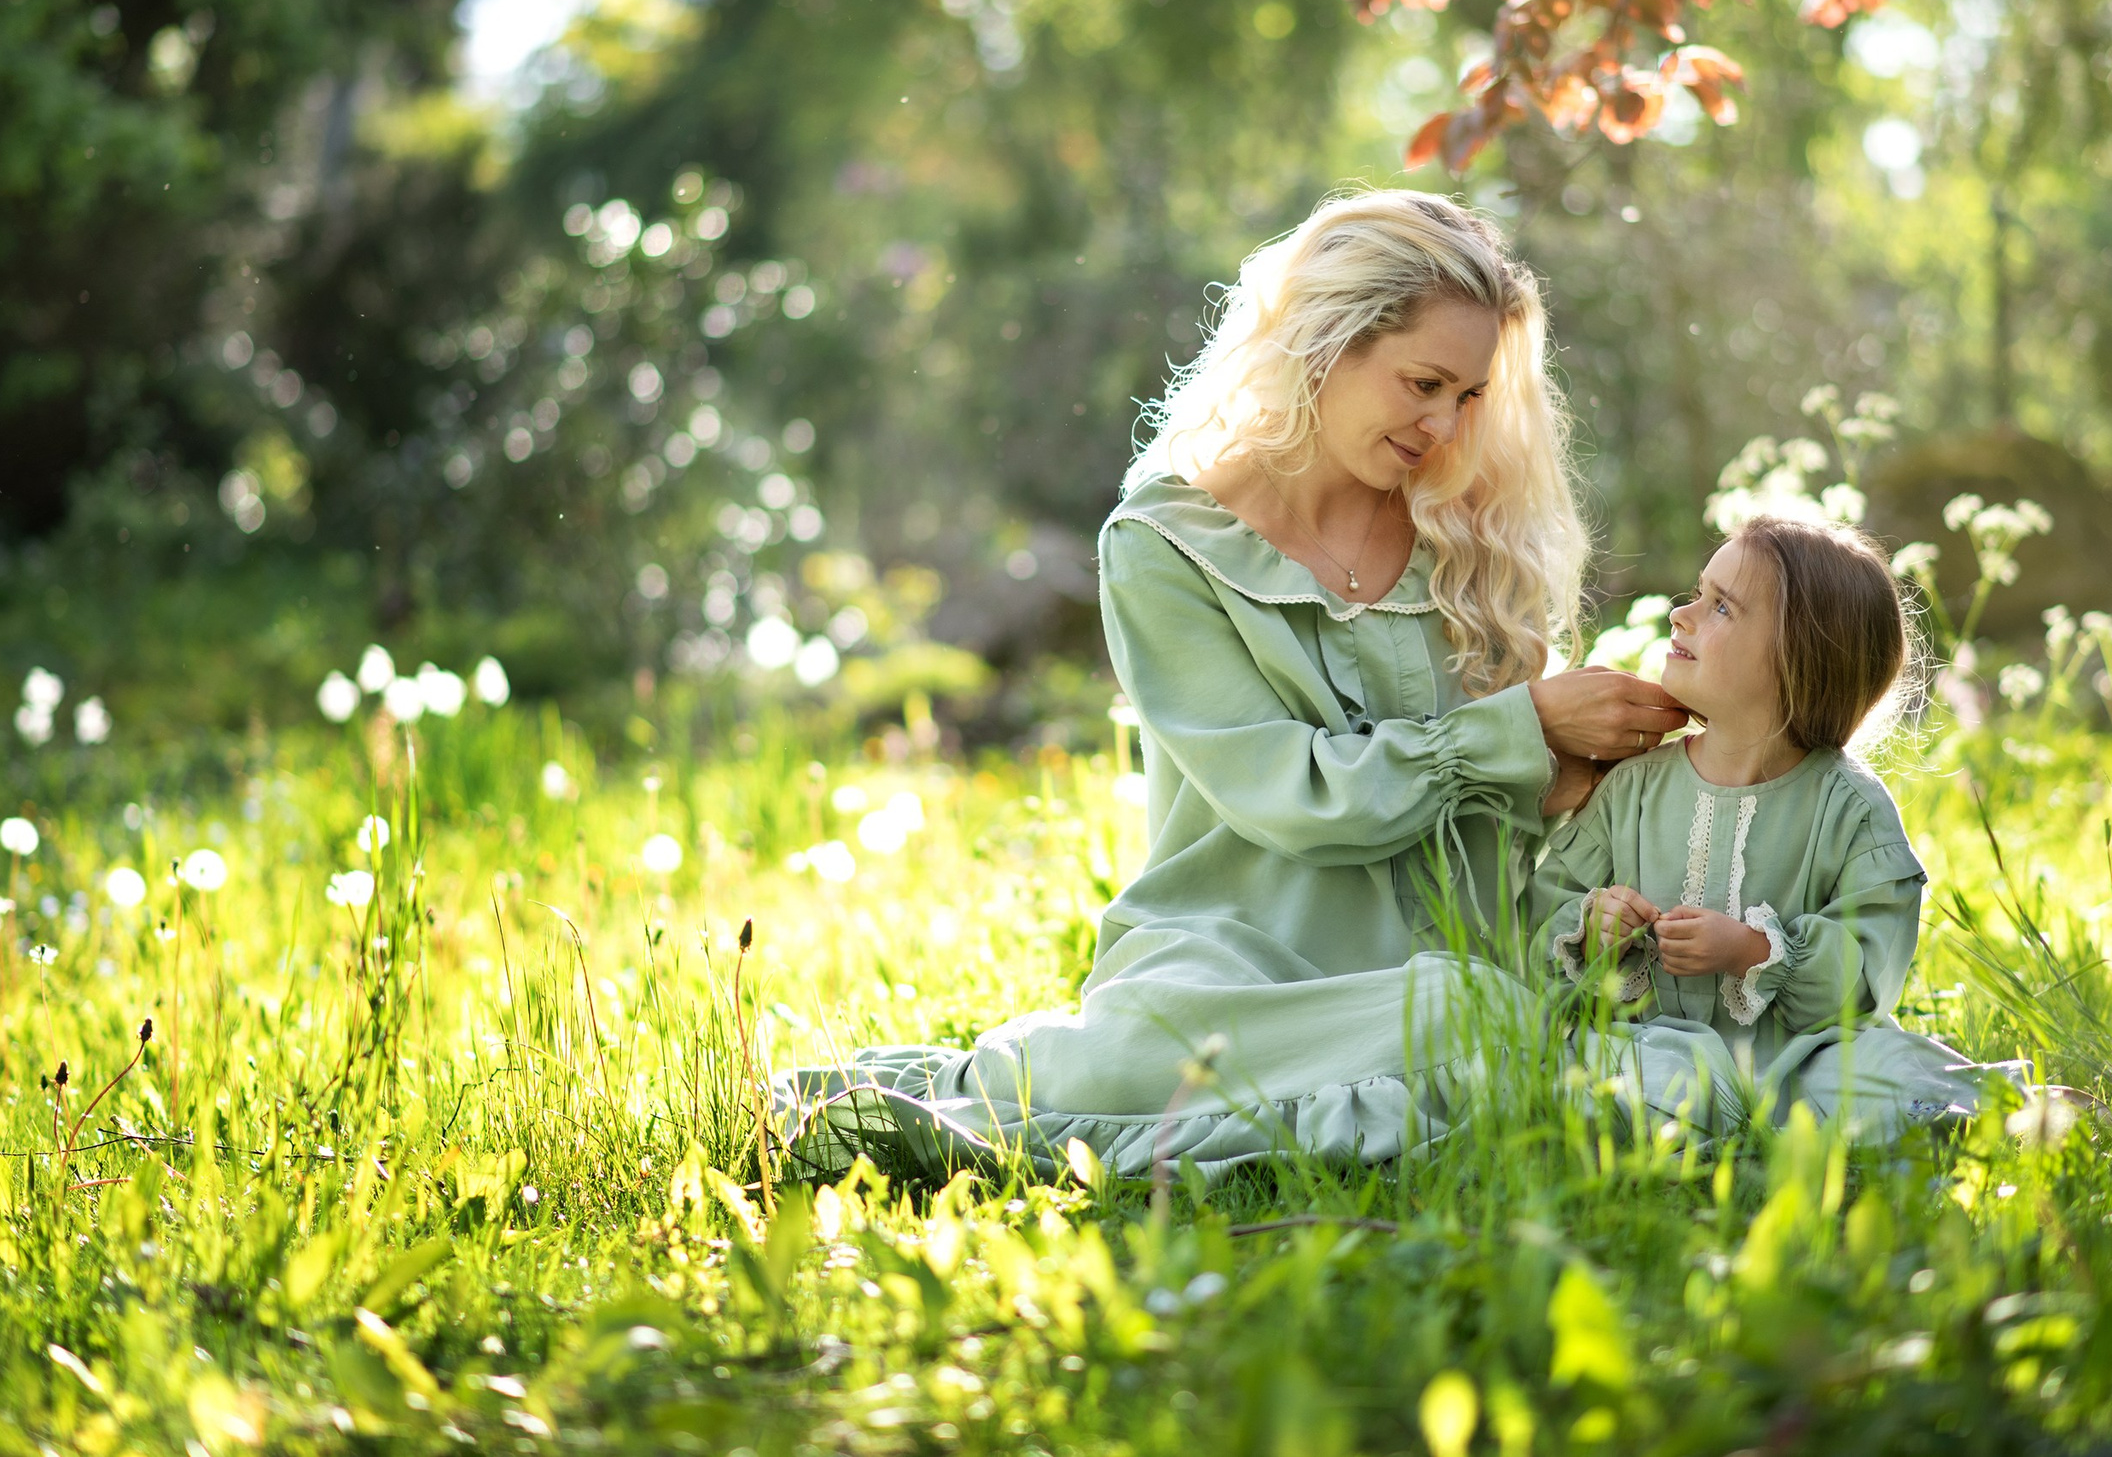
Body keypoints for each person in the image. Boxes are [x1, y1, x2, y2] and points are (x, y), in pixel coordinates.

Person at [778, 189, 1687, 1177]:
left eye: (1467, 396)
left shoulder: (1470, 536)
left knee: (1476, 1014)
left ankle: (1416, 1055)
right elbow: (1291, 796)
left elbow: (1498, 825)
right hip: (1229, 961)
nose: (1443, 424)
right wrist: (1524, 727)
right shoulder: (1165, 544)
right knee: (1187, 1051)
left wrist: (1564, 783)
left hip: (1445, 964)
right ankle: (876, 1107)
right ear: (1323, 340)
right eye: (1422, 382)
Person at [1538, 514, 2022, 1141]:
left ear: (1799, 657)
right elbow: (1543, 910)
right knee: (1620, 1071)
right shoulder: (1633, 786)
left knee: (1880, 1072)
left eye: (1721, 608)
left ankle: (2012, 1113)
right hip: (1658, 1046)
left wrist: (1756, 953)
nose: (1680, 616)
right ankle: (1697, 1125)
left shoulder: (1850, 806)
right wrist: (1595, 932)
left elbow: (1872, 968)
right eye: (1696, 595)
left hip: (1804, 1061)